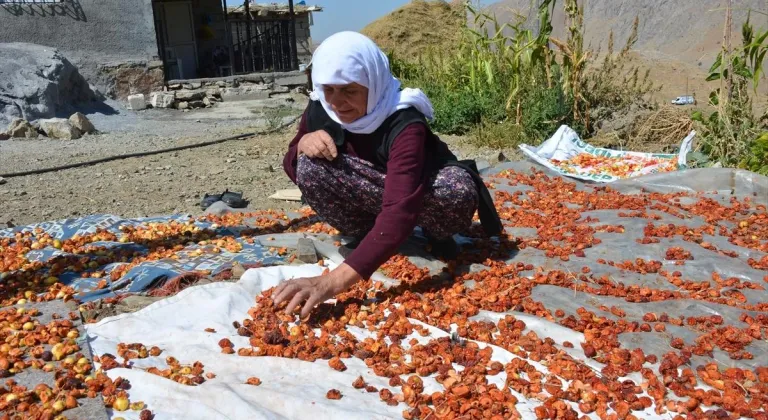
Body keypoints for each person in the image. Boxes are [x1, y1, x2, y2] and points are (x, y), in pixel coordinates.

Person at [273, 32, 502, 318]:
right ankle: (368, 235)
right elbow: (291, 163)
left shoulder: (403, 122)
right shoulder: (322, 106)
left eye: (350, 91)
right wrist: (302, 145)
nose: (338, 102)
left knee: (455, 190)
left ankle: (431, 235)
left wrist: (331, 282)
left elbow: (400, 209)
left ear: (373, 82)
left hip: (420, 194)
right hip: (376, 194)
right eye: (328, 89)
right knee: (309, 164)